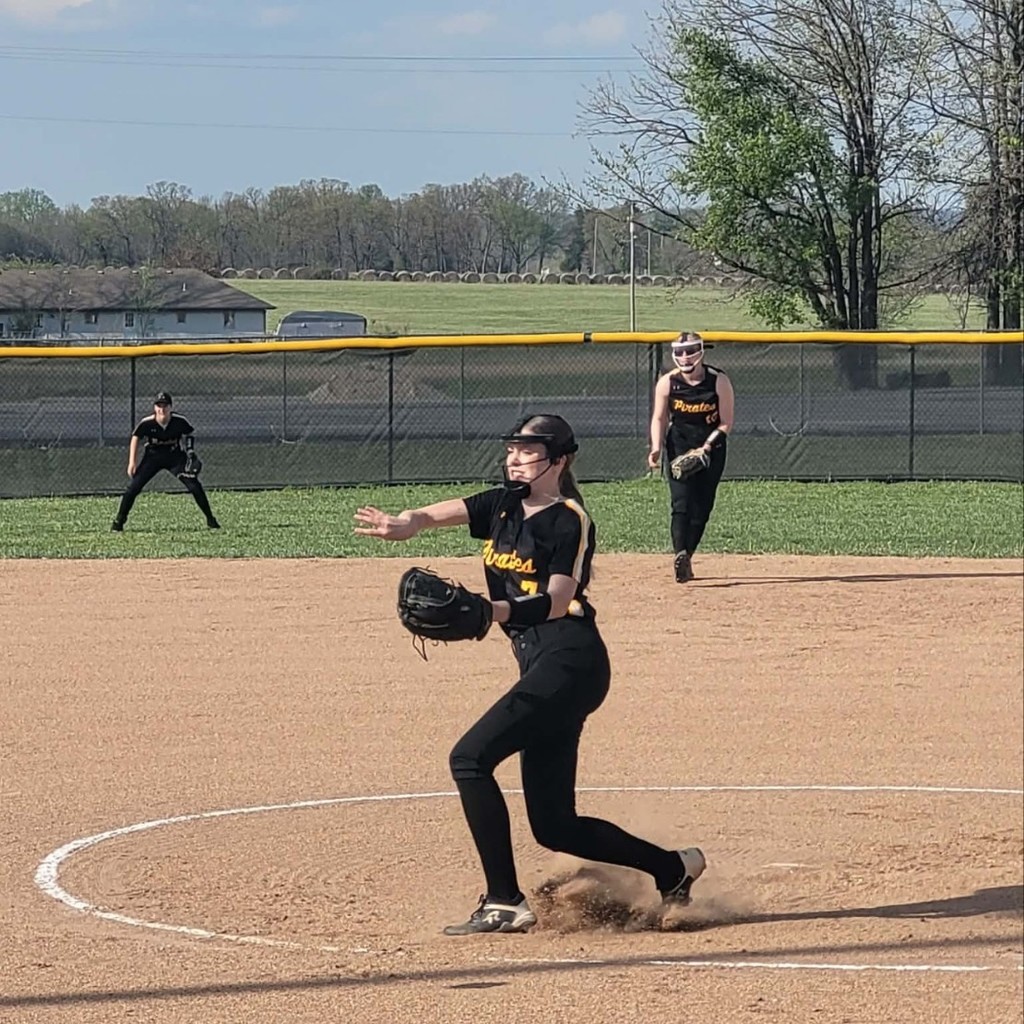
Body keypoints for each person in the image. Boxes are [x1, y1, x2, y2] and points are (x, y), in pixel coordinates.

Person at [353, 413, 705, 935]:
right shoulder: (501, 504)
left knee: (469, 759)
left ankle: (504, 901)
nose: (514, 458)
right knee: (555, 826)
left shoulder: (568, 519)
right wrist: (406, 522)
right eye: (511, 450)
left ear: (558, 460)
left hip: (571, 662)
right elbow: (434, 514)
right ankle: (673, 867)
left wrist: (490, 612)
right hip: (542, 666)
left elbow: (559, 601)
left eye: (528, 450)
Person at [648, 332, 735, 583]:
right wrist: (656, 447)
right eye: (680, 352)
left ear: (701, 351)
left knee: (702, 507)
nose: (685, 356)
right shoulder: (668, 382)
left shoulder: (718, 380)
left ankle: (687, 557)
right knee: (681, 503)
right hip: (679, 446)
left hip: (712, 447)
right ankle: (680, 553)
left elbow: (726, 422)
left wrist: (706, 448)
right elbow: (659, 417)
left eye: (691, 350)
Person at [111, 391, 220, 532]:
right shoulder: (147, 422)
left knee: (194, 486)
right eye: (159, 406)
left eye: (165, 406)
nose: (162, 409)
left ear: (170, 407)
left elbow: (189, 433)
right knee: (133, 488)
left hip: (174, 456)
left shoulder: (179, 421)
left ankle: (210, 519)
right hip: (152, 456)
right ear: (154, 408)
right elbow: (135, 436)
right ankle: (119, 521)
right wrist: (132, 461)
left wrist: (190, 451)